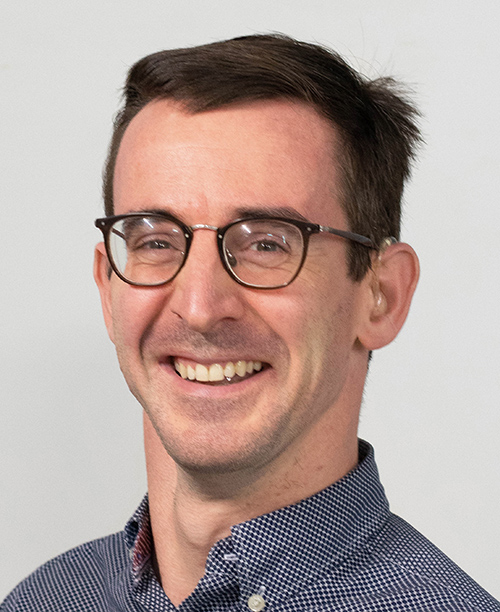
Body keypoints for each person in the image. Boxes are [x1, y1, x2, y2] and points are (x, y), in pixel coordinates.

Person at [2, 33, 499, 612]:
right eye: (157, 241)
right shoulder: (47, 599)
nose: (200, 306)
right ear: (108, 287)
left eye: (267, 243)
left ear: (381, 296)